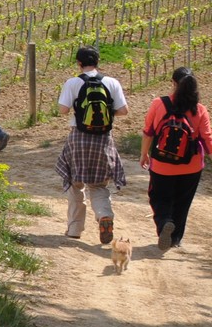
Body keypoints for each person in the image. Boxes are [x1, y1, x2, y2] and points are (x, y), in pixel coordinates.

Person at [56, 45, 130, 246]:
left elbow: (63, 109)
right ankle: (104, 215)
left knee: (75, 184)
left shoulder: (73, 83)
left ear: (79, 63)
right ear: (98, 61)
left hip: (78, 138)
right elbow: (123, 111)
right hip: (103, 139)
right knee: (98, 185)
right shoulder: (112, 82)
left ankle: (74, 229)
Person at [139, 66, 210, 252]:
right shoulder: (200, 109)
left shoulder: (159, 104)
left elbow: (148, 132)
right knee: (182, 201)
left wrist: (144, 154)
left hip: (162, 164)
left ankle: (164, 223)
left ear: (173, 83)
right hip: (191, 166)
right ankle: (175, 238)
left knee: (159, 197)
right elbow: (207, 139)